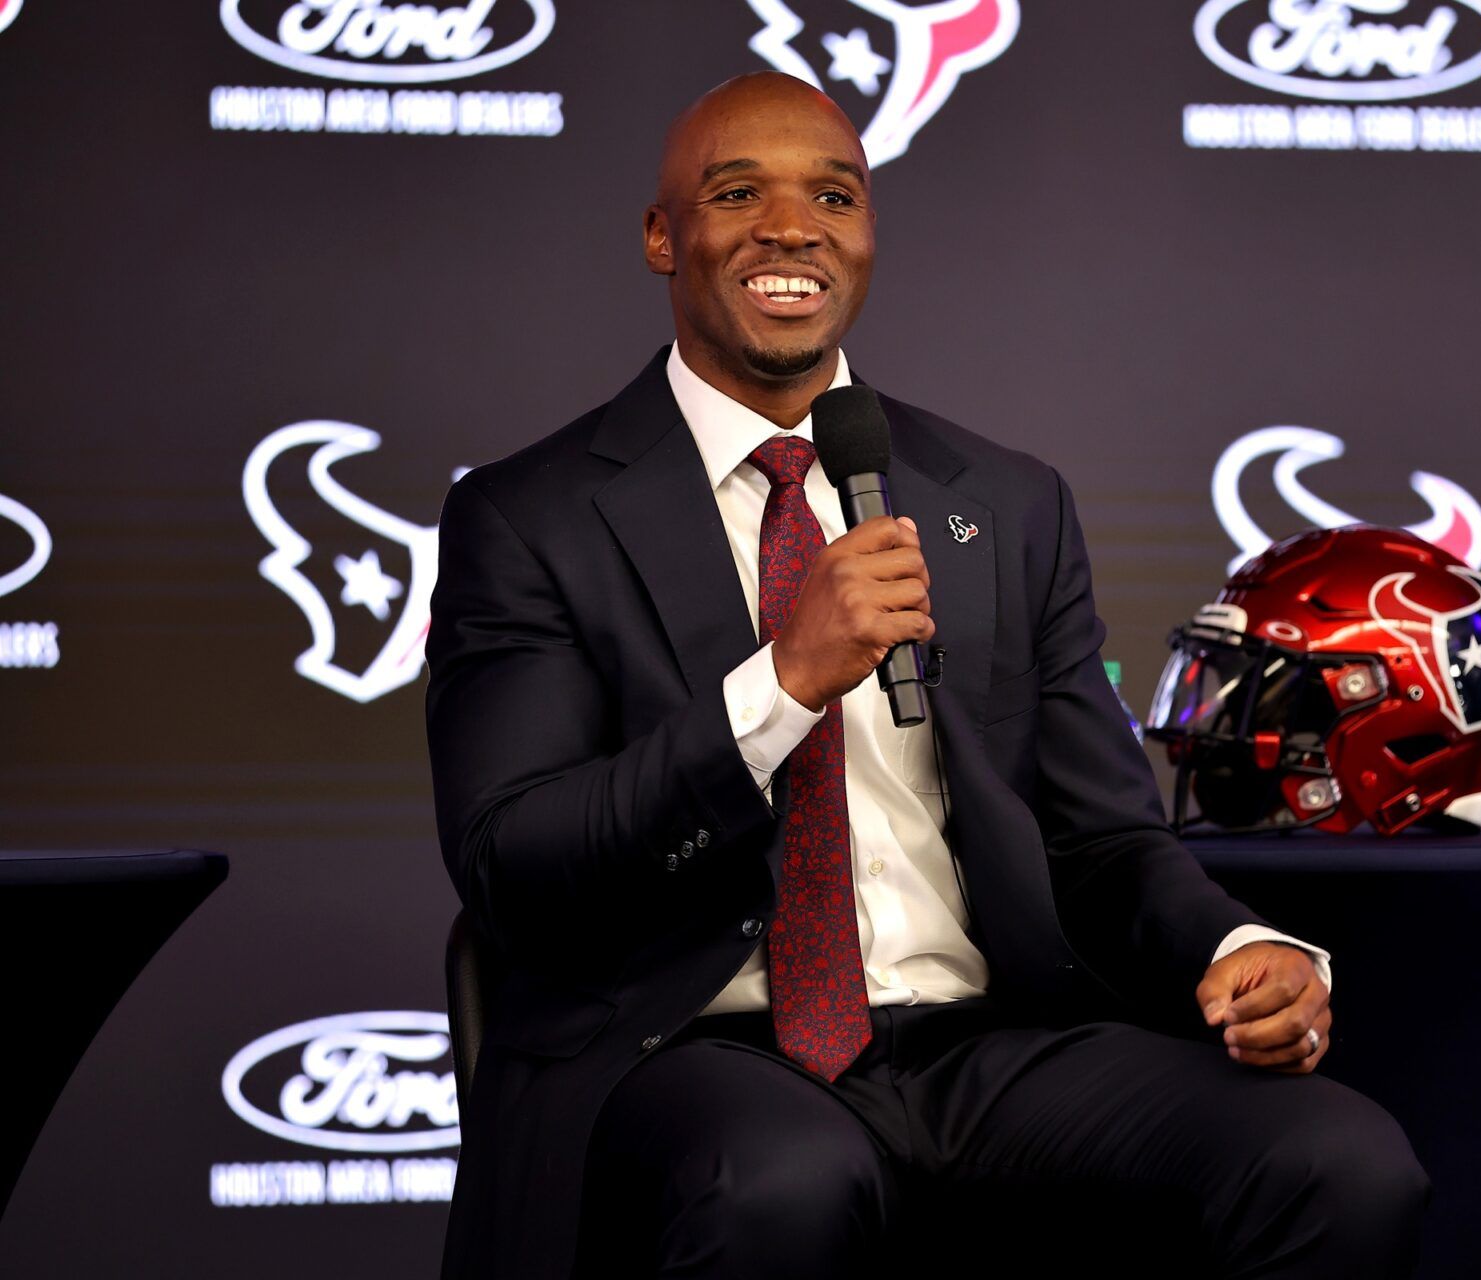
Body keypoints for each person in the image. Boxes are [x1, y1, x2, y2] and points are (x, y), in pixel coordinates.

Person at [425, 71, 1427, 1280]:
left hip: (976, 1044)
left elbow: (1101, 837)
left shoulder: (999, 501)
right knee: (786, 1180)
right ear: (661, 235)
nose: (791, 227)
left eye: (832, 197)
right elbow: (513, 859)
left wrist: (1233, 946)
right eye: (738, 192)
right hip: (684, 1045)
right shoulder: (532, 516)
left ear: (867, 236)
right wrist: (785, 681)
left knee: (1341, 1160)